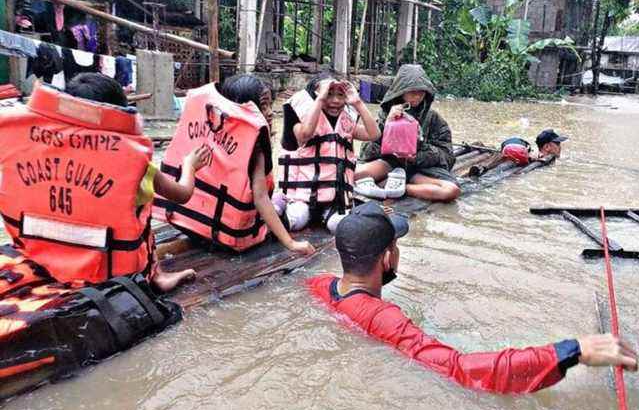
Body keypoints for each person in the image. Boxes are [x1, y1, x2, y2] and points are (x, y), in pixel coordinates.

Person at [308, 202, 638, 395]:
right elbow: (461, 370)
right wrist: (570, 351)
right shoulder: (385, 318)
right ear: (385, 259)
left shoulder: (320, 285)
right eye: (396, 246)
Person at [0, 73, 208, 292]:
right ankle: (156, 276)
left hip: (39, 258)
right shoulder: (134, 161)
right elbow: (182, 194)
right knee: (140, 210)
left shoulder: (26, 145)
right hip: (110, 273)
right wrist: (190, 165)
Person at [156, 74, 315, 256]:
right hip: (230, 237)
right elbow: (261, 198)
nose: (271, 112)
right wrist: (291, 243)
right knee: (293, 210)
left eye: (270, 105)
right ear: (243, 108)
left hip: (191, 224)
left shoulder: (206, 126)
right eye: (263, 106)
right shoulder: (253, 146)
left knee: (278, 199)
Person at [277, 73, 380, 233]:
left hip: (334, 198)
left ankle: (336, 213)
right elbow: (304, 135)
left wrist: (358, 103)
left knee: (339, 226)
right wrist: (319, 100)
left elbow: (374, 134)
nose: (335, 101)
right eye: (328, 94)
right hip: (303, 196)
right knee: (297, 220)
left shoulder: (347, 121)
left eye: (340, 95)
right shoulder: (301, 117)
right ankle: (280, 201)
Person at [355, 64, 460, 202]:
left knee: (451, 191)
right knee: (351, 176)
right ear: (401, 92)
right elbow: (366, 153)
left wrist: (417, 154)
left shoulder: (434, 119)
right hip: (388, 165)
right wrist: (387, 124)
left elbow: (447, 157)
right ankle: (387, 182)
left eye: (421, 92)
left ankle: (399, 188)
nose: (417, 97)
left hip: (418, 171)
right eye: (412, 92)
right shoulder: (386, 113)